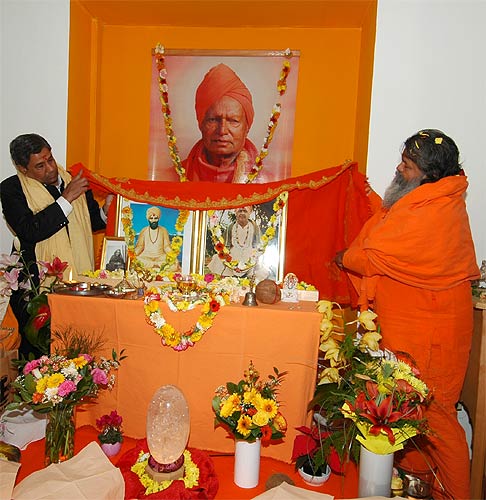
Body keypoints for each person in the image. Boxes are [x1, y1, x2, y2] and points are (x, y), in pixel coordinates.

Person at [334, 129, 479, 500]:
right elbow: (385, 236)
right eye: (403, 159)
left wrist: (344, 258)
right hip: (413, 328)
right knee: (402, 410)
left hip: (433, 337)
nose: (399, 168)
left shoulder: (435, 210)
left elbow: (372, 255)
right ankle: (415, 486)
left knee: (437, 419)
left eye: (408, 165)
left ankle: (456, 495)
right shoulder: (425, 200)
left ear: (429, 177)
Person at [0, 133, 113, 358]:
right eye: (40, 166)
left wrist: (106, 212)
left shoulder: (71, 178)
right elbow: (30, 230)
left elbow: (90, 221)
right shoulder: (11, 189)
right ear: (23, 169)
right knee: (40, 351)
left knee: (79, 345)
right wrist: (66, 198)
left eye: (50, 159)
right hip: (35, 286)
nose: (50, 169)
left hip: (78, 279)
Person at [183, 63, 265, 183]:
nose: (222, 131)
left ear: (247, 127)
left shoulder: (269, 183)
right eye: (213, 120)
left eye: (233, 121)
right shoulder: (171, 176)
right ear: (200, 123)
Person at [207, 206, 268, 280]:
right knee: (217, 258)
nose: (242, 213)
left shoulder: (255, 227)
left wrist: (256, 254)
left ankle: (250, 277)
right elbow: (225, 244)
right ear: (236, 213)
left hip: (249, 253)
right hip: (233, 254)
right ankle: (228, 278)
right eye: (240, 211)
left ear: (249, 214)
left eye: (245, 211)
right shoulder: (231, 227)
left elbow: (259, 244)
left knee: (259, 262)